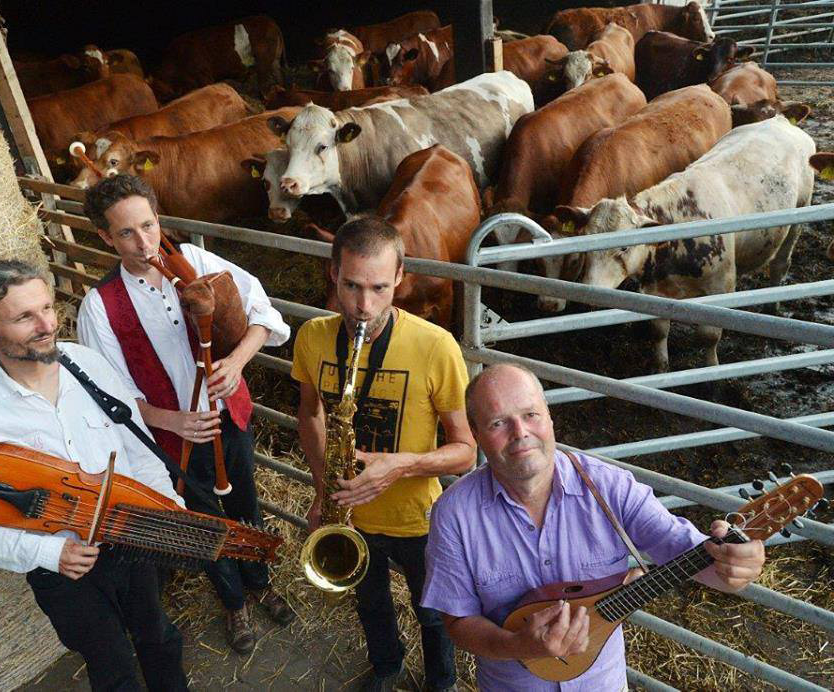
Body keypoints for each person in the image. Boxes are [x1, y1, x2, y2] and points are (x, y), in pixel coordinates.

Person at [421, 364, 767, 691]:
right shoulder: (454, 514)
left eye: (531, 415)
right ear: (477, 434)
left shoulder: (611, 488)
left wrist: (734, 563)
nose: (521, 433)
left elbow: (687, 551)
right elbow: (459, 623)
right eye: (498, 423)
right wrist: (517, 644)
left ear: (550, 418)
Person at [0, 260, 189, 691]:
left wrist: (168, 510)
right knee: (111, 666)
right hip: (63, 572)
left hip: (133, 536)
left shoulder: (88, 365)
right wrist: (48, 554)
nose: (47, 324)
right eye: (23, 317)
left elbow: (139, 452)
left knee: (160, 638)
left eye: (47, 308)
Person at [77, 174, 294, 654]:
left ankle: (259, 583)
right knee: (204, 524)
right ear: (105, 238)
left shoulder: (193, 261)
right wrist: (170, 420)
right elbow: (109, 393)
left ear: (159, 219)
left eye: (149, 226)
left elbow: (263, 313)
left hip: (227, 420)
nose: (144, 242)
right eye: (127, 233)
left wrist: (235, 365)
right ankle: (233, 600)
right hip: (171, 440)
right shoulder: (100, 307)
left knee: (246, 507)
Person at [292, 215, 477, 692]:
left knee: (432, 613)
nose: (363, 306)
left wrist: (401, 465)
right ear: (333, 273)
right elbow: (309, 414)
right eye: (351, 286)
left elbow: (466, 453)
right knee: (369, 603)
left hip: (417, 518)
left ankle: (442, 681)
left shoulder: (436, 346)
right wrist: (321, 489)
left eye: (378, 287)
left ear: (400, 276)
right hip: (349, 516)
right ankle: (387, 668)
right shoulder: (313, 337)